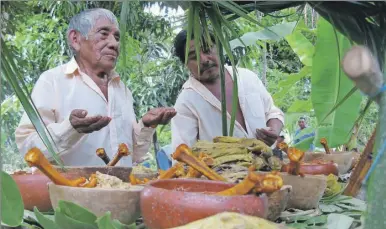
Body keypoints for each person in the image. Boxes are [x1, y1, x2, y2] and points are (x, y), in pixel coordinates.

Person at [15, 8, 176, 166]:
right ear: (76, 39)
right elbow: (28, 150)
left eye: (117, 37)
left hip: (121, 190)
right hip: (74, 191)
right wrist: (70, 129)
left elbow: (132, 155)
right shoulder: (52, 82)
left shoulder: (122, 89)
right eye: (103, 34)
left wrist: (146, 126)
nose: (114, 44)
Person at [170, 30, 284, 152]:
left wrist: (274, 130)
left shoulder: (247, 78)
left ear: (218, 49)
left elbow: (272, 112)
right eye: (194, 57)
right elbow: (183, 155)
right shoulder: (186, 103)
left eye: (207, 50)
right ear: (186, 64)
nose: (204, 60)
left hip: (269, 165)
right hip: (223, 170)